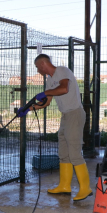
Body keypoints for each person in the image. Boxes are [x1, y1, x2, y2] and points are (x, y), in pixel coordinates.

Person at [18, 54, 92, 201]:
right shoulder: (50, 80)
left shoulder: (62, 71)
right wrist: (29, 108)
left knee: (74, 152)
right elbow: (46, 102)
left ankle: (85, 188)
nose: (38, 70)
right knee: (64, 152)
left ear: (43, 64)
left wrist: (45, 93)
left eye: (38, 67)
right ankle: (65, 186)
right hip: (65, 116)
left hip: (75, 114)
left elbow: (64, 88)